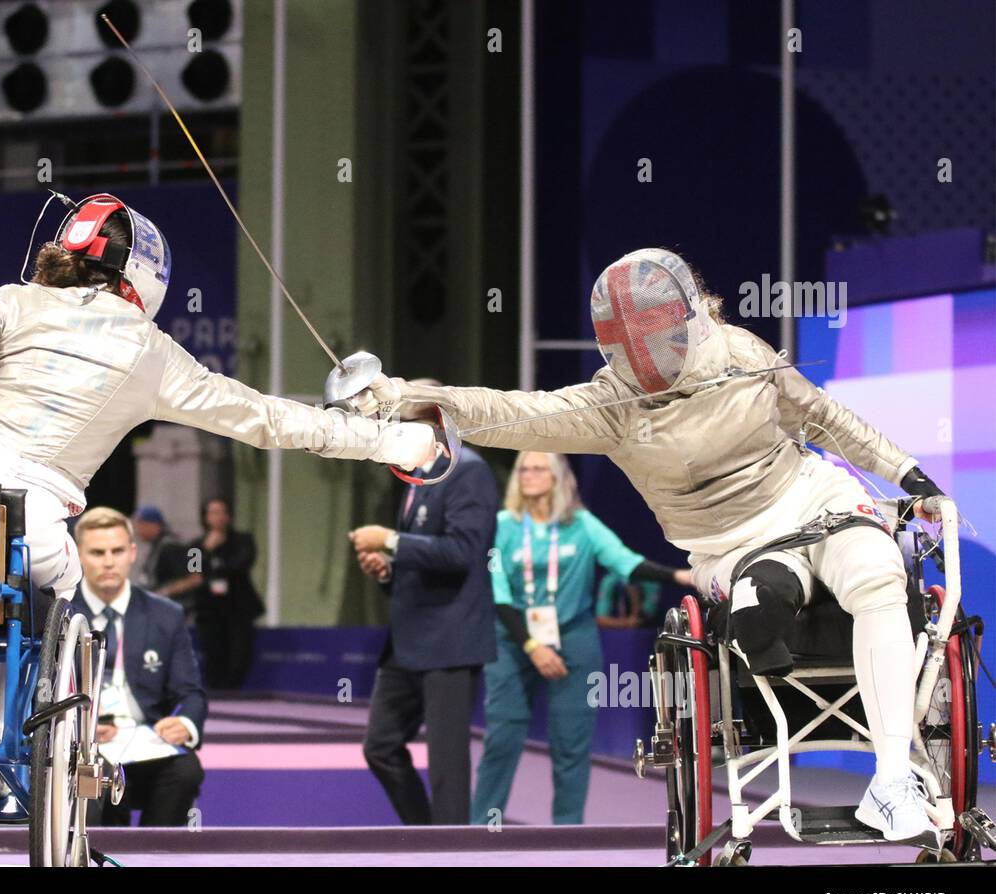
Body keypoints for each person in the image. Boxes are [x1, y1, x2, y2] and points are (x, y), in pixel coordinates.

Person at [0, 192, 436, 796]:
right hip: (10, 517)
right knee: (59, 578)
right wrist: (392, 443)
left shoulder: (13, 300)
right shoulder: (150, 350)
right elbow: (267, 419)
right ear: (143, 278)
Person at [355, 247, 952, 848]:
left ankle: (892, 781)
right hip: (728, 541)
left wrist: (906, 474)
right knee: (758, 602)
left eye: (657, 335)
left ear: (686, 320)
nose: (646, 354)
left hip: (808, 497)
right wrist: (403, 397)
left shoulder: (742, 353)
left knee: (877, 570)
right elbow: (511, 412)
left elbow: (822, 417)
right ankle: (763, 628)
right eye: (630, 342)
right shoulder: (608, 407)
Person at [472, 450, 692, 825]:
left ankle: (568, 834)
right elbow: (499, 594)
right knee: (501, 739)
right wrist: (532, 646)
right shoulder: (503, 525)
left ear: (558, 477)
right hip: (513, 640)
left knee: (571, 746)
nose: (528, 474)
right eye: (523, 468)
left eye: (538, 468)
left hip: (573, 636)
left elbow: (625, 562)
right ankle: (481, 828)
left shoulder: (583, 524)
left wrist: (679, 577)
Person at [350, 388, 499, 825]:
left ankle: (450, 853)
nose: (390, 435)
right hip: (407, 641)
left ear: (431, 427)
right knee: (379, 746)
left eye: (398, 424)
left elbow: (462, 553)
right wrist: (388, 570)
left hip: (451, 640)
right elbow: (425, 555)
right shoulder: (419, 476)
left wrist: (390, 540)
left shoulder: (467, 471)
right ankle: (426, 837)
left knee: (447, 765)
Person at [71, 507, 206, 826]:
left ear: (132, 553)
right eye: (97, 552)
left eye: (117, 551)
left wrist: (185, 723)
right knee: (96, 775)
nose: (108, 561)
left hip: (146, 742)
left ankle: (155, 856)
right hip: (84, 747)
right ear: (78, 556)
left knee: (186, 771)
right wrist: (81, 731)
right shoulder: (58, 612)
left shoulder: (166, 616)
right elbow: (39, 691)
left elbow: (191, 692)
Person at [189, 497, 265, 690]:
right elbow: (194, 571)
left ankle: (233, 692)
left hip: (238, 607)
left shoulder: (242, 540)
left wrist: (219, 561)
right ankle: (216, 696)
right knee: (213, 654)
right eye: (212, 512)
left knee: (239, 656)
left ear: (229, 516)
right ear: (205, 517)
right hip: (209, 609)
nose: (217, 517)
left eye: (221, 512)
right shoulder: (197, 545)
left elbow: (241, 564)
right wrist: (207, 550)